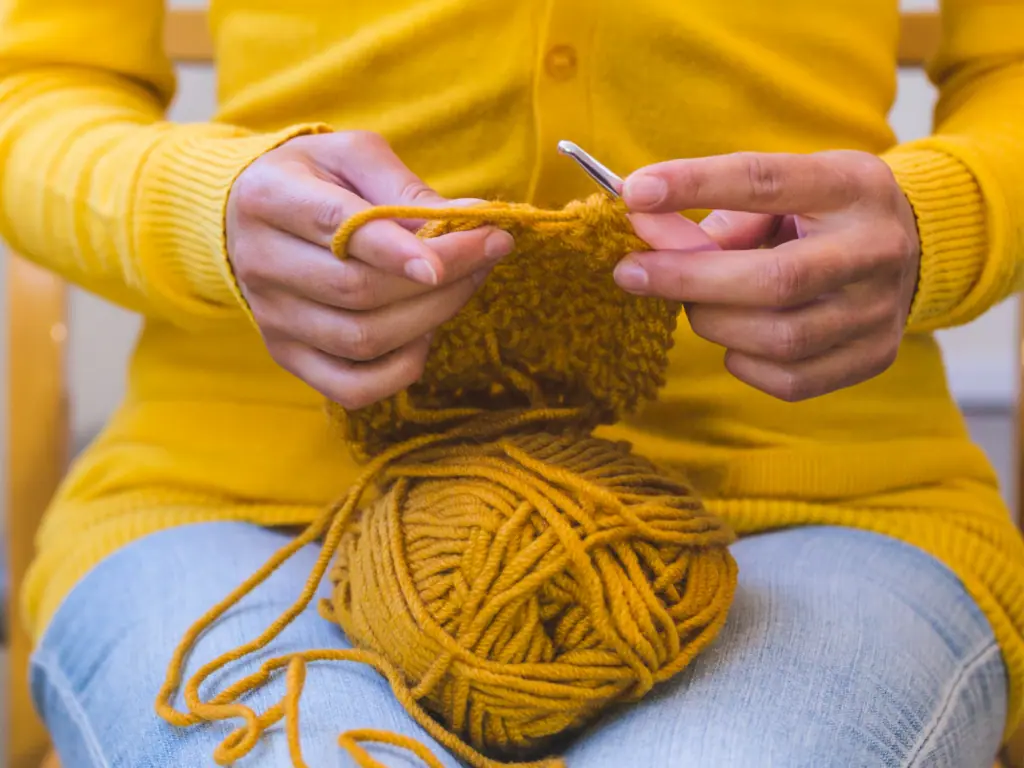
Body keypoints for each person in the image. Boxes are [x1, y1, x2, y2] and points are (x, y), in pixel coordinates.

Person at [2, 0, 1023, 765]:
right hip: (246, 518)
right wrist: (201, 205)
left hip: (820, 513)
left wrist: (939, 216)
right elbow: (27, 90)